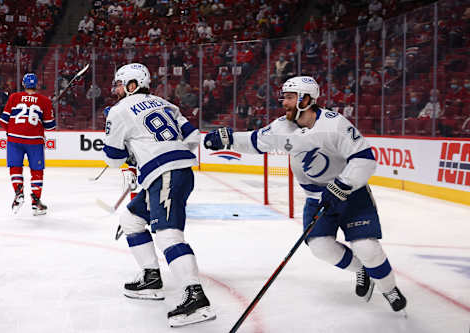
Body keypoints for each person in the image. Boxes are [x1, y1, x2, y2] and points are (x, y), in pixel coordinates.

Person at [204, 76, 407, 313]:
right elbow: (256, 141)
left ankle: (389, 289)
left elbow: (364, 159)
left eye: (290, 97)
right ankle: (361, 270)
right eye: (285, 98)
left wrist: (343, 184)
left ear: (307, 99)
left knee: (367, 248)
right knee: (321, 247)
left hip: (352, 196)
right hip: (316, 199)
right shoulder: (282, 127)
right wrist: (228, 139)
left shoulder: (335, 125)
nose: (285, 103)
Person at [102, 63, 215, 327]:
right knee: (130, 219)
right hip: (175, 172)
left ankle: (196, 297)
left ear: (132, 85)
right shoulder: (165, 104)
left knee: (168, 236)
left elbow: (113, 159)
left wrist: (132, 149)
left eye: (119, 84)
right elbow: (193, 136)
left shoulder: (118, 111)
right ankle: (151, 278)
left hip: (165, 176)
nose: (116, 89)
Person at [0, 73, 55, 215]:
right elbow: (50, 126)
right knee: (37, 171)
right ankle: (36, 203)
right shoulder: (44, 101)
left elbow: (3, 121)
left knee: (15, 168)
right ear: (37, 85)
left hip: (14, 139)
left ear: (23, 84)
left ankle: (18, 193)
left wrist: (11, 132)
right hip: (34, 140)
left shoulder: (14, 97)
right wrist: (48, 111)